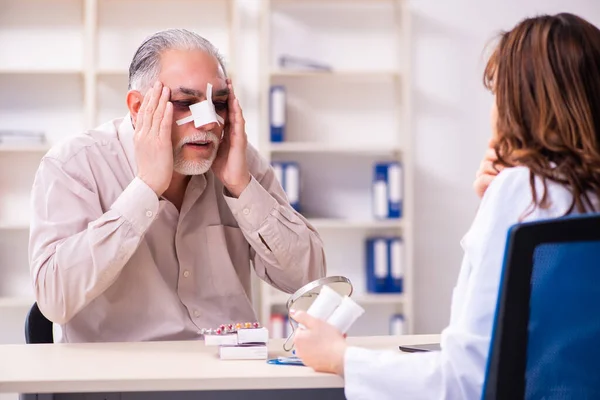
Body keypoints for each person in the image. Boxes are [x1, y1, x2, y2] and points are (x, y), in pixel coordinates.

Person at [291, 12, 600, 399]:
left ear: (519, 107)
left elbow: (467, 379)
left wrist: (340, 357)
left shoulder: (521, 191)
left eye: (498, 96)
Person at [28, 29, 326, 343]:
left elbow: (309, 278)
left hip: (228, 377)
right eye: (186, 103)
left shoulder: (238, 160)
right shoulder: (76, 164)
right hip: (121, 382)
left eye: (220, 104)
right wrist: (144, 190)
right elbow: (54, 299)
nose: (209, 122)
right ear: (137, 107)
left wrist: (243, 188)